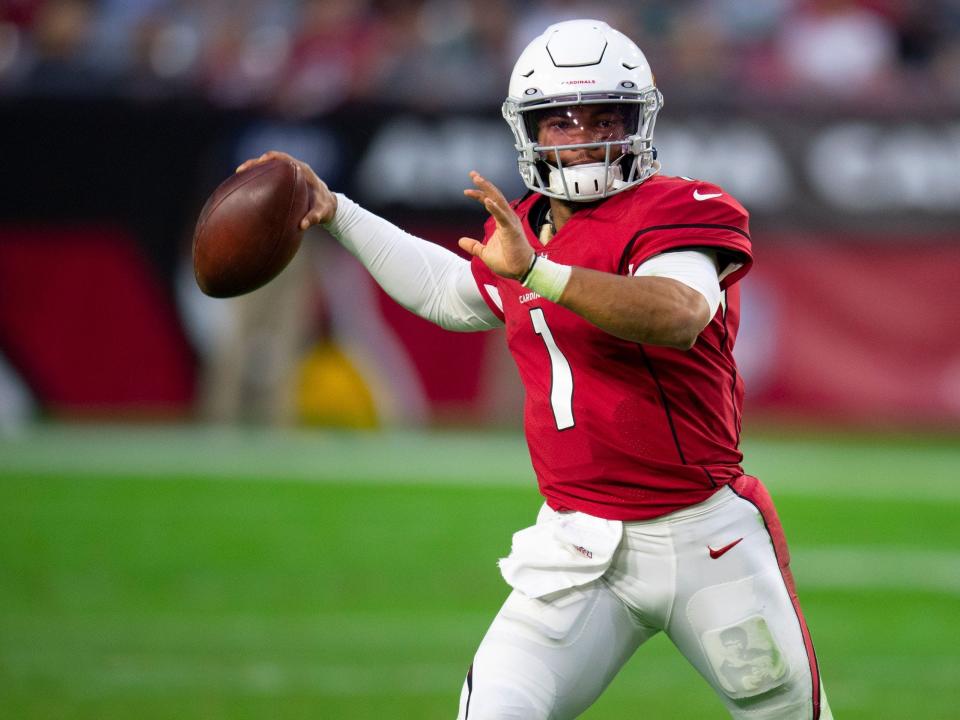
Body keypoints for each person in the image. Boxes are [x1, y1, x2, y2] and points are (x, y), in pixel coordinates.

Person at [237, 18, 833, 720]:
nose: (584, 136)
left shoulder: (676, 208)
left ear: (640, 120)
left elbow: (679, 312)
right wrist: (336, 212)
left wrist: (542, 273)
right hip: (577, 549)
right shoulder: (526, 228)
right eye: (562, 121)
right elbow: (450, 293)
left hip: (706, 537)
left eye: (605, 117)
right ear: (530, 131)